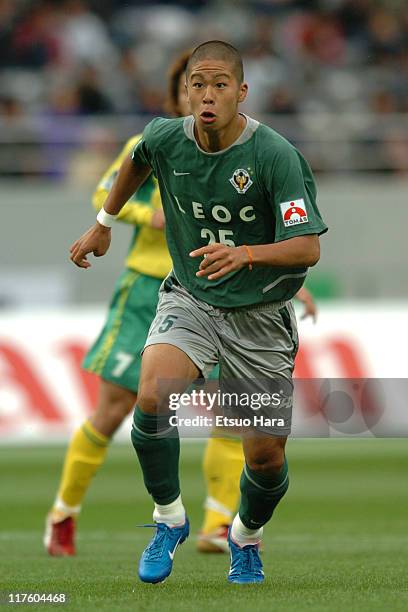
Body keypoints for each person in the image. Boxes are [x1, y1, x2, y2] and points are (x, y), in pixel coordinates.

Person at [45, 49, 317, 558]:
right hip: (190, 297)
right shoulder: (164, 137)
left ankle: (243, 532)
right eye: (197, 85)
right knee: (150, 397)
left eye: (219, 85)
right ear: (185, 93)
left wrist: (246, 254)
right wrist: (104, 225)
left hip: (258, 317)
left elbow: (307, 247)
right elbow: (134, 160)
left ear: (241, 92)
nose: (206, 94)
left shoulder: (276, 155)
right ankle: (168, 518)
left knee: (263, 458)